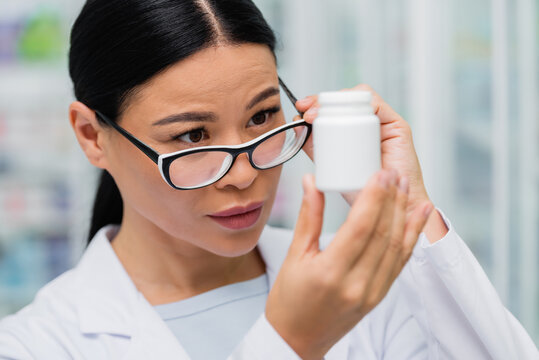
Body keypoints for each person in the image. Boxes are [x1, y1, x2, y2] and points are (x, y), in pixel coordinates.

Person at [0, 0, 537, 359]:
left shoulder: (360, 280)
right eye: (191, 137)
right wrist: (290, 342)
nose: (242, 176)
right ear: (93, 136)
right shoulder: (37, 343)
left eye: (262, 118)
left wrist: (412, 213)